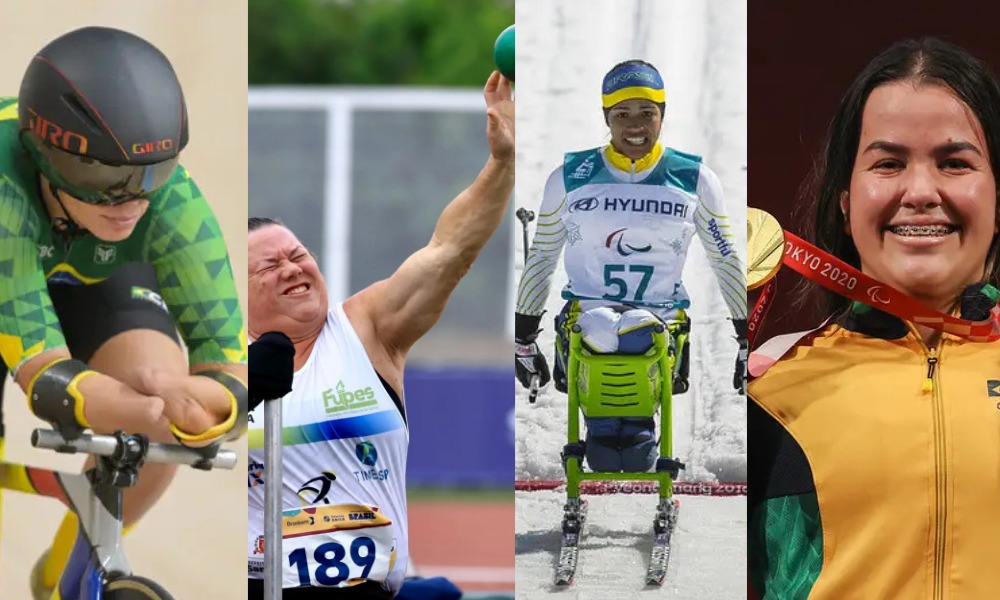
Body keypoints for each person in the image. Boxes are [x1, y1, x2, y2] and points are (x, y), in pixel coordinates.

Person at [0, 27, 248, 598]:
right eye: (102, 178)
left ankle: (65, 574)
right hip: (11, 249)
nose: (130, 201)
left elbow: (230, 373)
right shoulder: (8, 187)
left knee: (159, 398)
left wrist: (190, 405)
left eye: (152, 173)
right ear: (44, 153)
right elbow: (45, 378)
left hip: (85, 266)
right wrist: (150, 409)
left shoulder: (169, 203)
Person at [748, 37, 1000, 598]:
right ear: (845, 198)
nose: (920, 191)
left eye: (954, 163)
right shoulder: (770, 391)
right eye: (888, 163)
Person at [246, 71, 514, 598]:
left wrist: (503, 162)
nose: (293, 266)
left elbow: (448, 253)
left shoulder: (365, 328)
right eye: (270, 265)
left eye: (299, 254)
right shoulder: (218, 361)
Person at [513, 59, 747, 473]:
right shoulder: (570, 176)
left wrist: (747, 336)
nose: (634, 125)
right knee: (607, 429)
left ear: (663, 115)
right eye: (622, 114)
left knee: (635, 375)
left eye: (647, 113)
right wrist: (523, 338)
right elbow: (543, 256)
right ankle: (608, 430)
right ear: (606, 117)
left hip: (660, 323)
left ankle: (634, 431)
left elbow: (725, 258)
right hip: (586, 320)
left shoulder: (693, 178)